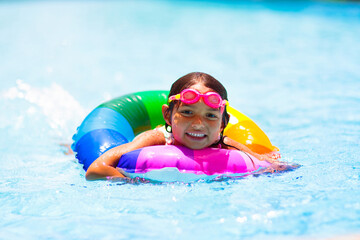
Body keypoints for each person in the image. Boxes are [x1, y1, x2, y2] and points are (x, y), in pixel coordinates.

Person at [86, 72, 281, 180]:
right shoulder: (155, 139)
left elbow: (270, 165)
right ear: (168, 116)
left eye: (210, 116)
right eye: (187, 112)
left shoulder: (226, 143)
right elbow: (97, 168)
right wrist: (134, 182)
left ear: (224, 123)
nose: (198, 124)